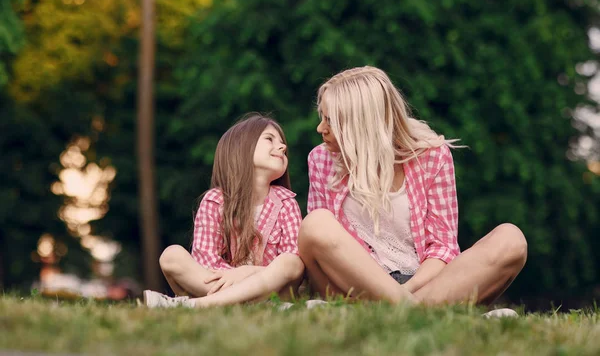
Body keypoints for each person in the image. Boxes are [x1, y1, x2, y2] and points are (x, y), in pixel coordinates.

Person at [299, 66, 527, 314]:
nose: (320, 128)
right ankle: (423, 314)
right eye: (322, 117)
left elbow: (442, 248)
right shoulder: (321, 159)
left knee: (511, 239)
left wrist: (404, 295)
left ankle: (398, 312)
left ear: (362, 122)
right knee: (315, 224)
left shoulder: (432, 156)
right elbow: (326, 253)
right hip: (356, 286)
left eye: (330, 120)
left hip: (424, 283)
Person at [144, 114, 304, 308]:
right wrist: (236, 276)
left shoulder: (287, 203)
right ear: (241, 148)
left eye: (282, 143)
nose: (282, 147)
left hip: (273, 291)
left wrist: (244, 272)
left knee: (291, 262)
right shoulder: (215, 201)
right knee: (171, 256)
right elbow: (206, 261)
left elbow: (292, 264)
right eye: (270, 139)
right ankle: (238, 302)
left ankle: (199, 305)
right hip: (227, 286)